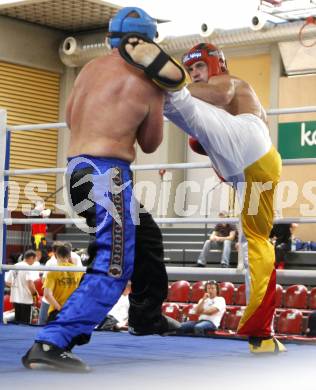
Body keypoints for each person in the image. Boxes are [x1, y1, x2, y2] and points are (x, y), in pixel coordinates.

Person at [22, 7, 179, 372]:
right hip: (108, 174)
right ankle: (52, 341)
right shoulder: (150, 79)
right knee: (113, 264)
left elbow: (70, 116)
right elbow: (152, 143)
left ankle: (145, 316)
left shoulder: (89, 69)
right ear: (148, 43)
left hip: (77, 170)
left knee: (146, 235)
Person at [119, 35, 285, 353]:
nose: (195, 73)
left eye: (198, 67)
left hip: (250, 146)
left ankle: (156, 80)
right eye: (190, 69)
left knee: (181, 103)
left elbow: (220, 94)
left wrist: (166, 85)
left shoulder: (229, 81)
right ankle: (263, 334)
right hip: (255, 170)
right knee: (257, 242)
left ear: (216, 65)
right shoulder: (221, 112)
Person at [43, 244, 83, 323]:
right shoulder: (79, 271)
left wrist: (60, 309)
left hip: (57, 312)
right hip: (73, 311)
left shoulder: (52, 272)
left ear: (55, 256)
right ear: (69, 256)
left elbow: (47, 295)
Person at [5, 250, 39, 324]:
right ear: (31, 258)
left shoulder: (15, 266)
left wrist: (16, 287)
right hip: (26, 299)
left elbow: (7, 283)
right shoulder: (28, 268)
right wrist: (35, 296)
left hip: (16, 298)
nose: (34, 263)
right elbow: (30, 284)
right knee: (24, 324)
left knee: (17, 322)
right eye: (34, 260)